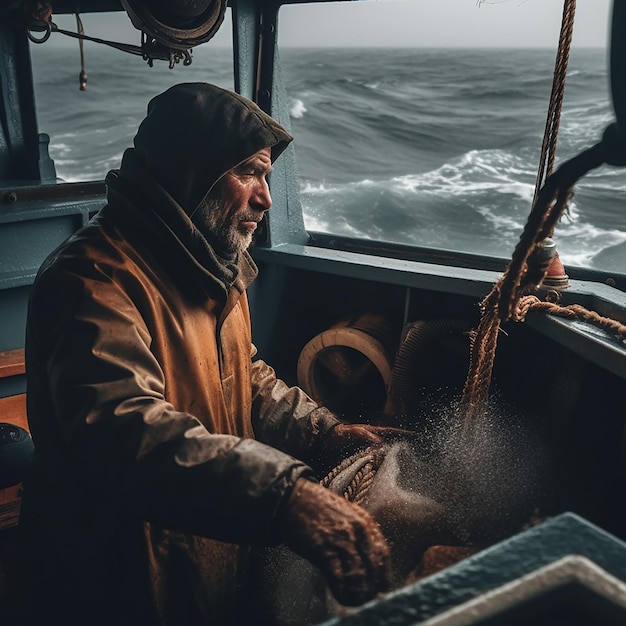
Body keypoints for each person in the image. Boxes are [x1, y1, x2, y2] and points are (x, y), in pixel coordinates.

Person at [19, 82, 395, 626]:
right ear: (189, 172)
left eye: (266, 177)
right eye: (249, 173)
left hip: (202, 557)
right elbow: (124, 432)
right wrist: (283, 497)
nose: (265, 198)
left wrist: (324, 434)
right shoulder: (90, 279)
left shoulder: (211, 262)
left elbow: (243, 375)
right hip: (115, 581)